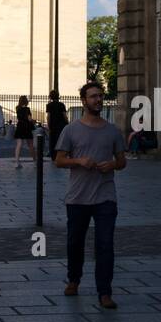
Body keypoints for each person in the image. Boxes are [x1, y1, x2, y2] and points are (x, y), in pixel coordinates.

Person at [55, 80, 126, 310]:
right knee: (75, 242)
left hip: (106, 196)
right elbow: (59, 160)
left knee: (105, 244)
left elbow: (122, 161)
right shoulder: (71, 129)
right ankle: (74, 279)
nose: (98, 100)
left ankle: (104, 292)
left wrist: (113, 165)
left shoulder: (112, 130)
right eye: (93, 96)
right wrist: (79, 161)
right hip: (77, 197)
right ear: (84, 101)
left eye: (100, 96)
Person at [46, 89, 69, 160]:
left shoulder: (49, 105)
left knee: (52, 141)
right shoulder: (61, 105)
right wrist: (67, 123)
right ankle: (60, 155)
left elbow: (48, 117)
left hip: (53, 125)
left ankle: (53, 156)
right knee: (61, 141)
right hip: (61, 125)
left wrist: (49, 126)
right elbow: (65, 115)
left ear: (51, 97)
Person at [14, 95, 35, 167]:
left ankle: (17, 162)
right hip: (27, 127)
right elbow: (29, 119)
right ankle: (35, 161)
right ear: (26, 101)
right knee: (30, 145)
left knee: (19, 145)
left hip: (20, 126)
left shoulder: (17, 108)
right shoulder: (27, 109)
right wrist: (33, 121)